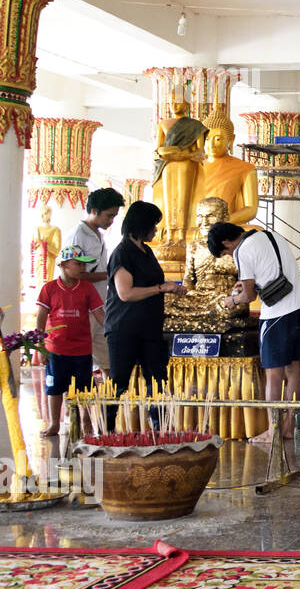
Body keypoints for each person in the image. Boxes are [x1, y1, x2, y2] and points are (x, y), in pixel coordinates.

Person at [207, 222, 300, 472]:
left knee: (273, 375)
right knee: (294, 370)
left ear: (226, 243)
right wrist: (245, 286)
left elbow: (248, 297)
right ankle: (289, 425)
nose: (228, 256)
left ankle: (273, 430)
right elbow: (269, 274)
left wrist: (230, 300)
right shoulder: (271, 235)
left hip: (277, 315)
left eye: (224, 253)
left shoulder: (241, 250)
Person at [104, 201, 188, 430]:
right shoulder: (122, 253)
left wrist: (173, 288)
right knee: (119, 381)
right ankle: (107, 427)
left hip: (150, 326)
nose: (155, 231)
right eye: (153, 225)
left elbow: (154, 283)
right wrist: (161, 289)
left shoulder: (147, 250)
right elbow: (126, 293)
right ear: (141, 225)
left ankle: (159, 425)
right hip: (125, 328)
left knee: (157, 378)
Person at [34, 245, 104, 438]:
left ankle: (87, 422)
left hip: (82, 350)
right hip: (56, 349)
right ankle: (55, 423)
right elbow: (40, 319)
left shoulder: (87, 288)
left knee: (86, 390)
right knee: (55, 388)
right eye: (78, 264)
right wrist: (40, 347)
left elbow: (100, 314)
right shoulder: (49, 289)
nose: (82, 268)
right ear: (63, 264)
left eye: (84, 265)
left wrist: (111, 332)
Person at [72, 187, 126, 377]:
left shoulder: (98, 234)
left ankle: (110, 403)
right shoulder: (78, 236)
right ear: (94, 211)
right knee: (80, 362)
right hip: (82, 307)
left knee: (107, 361)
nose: (111, 221)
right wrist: (109, 274)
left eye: (114, 217)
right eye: (109, 216)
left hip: (99, 305)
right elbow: (75, 274)